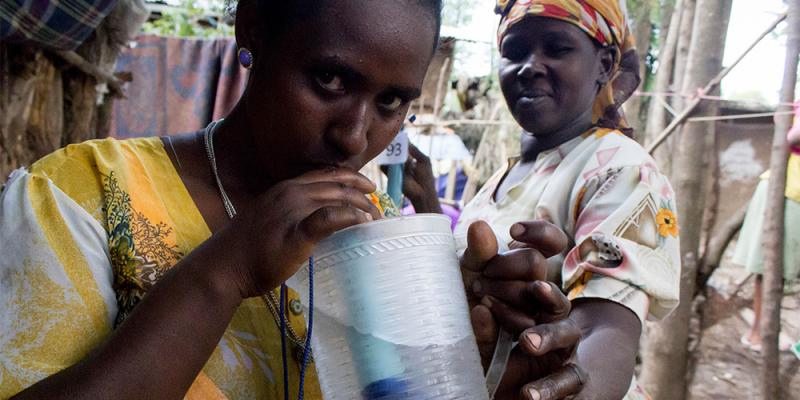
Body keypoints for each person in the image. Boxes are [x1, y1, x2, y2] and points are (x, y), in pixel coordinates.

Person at [0, 1, 584, 399]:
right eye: (330, 80)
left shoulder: (369, 239)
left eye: (391, 103)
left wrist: (485, 361)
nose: (354, 137)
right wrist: (223, 274)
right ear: (252, 28)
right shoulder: (82, 195)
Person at [403, 1, 681, 398]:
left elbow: (607, 325)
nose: (529, 66)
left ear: (604, 65)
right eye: (514, 52)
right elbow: (466, 284)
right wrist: (427, 204)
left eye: (556, 48)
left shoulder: (620, 169)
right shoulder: (506, 175)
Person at [733, 118, 800, 352]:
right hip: (790, 191)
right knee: (771, 268)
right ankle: (760, 333)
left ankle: (761, 332)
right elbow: (794, 135)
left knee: (773, 270)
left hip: (789, 189)